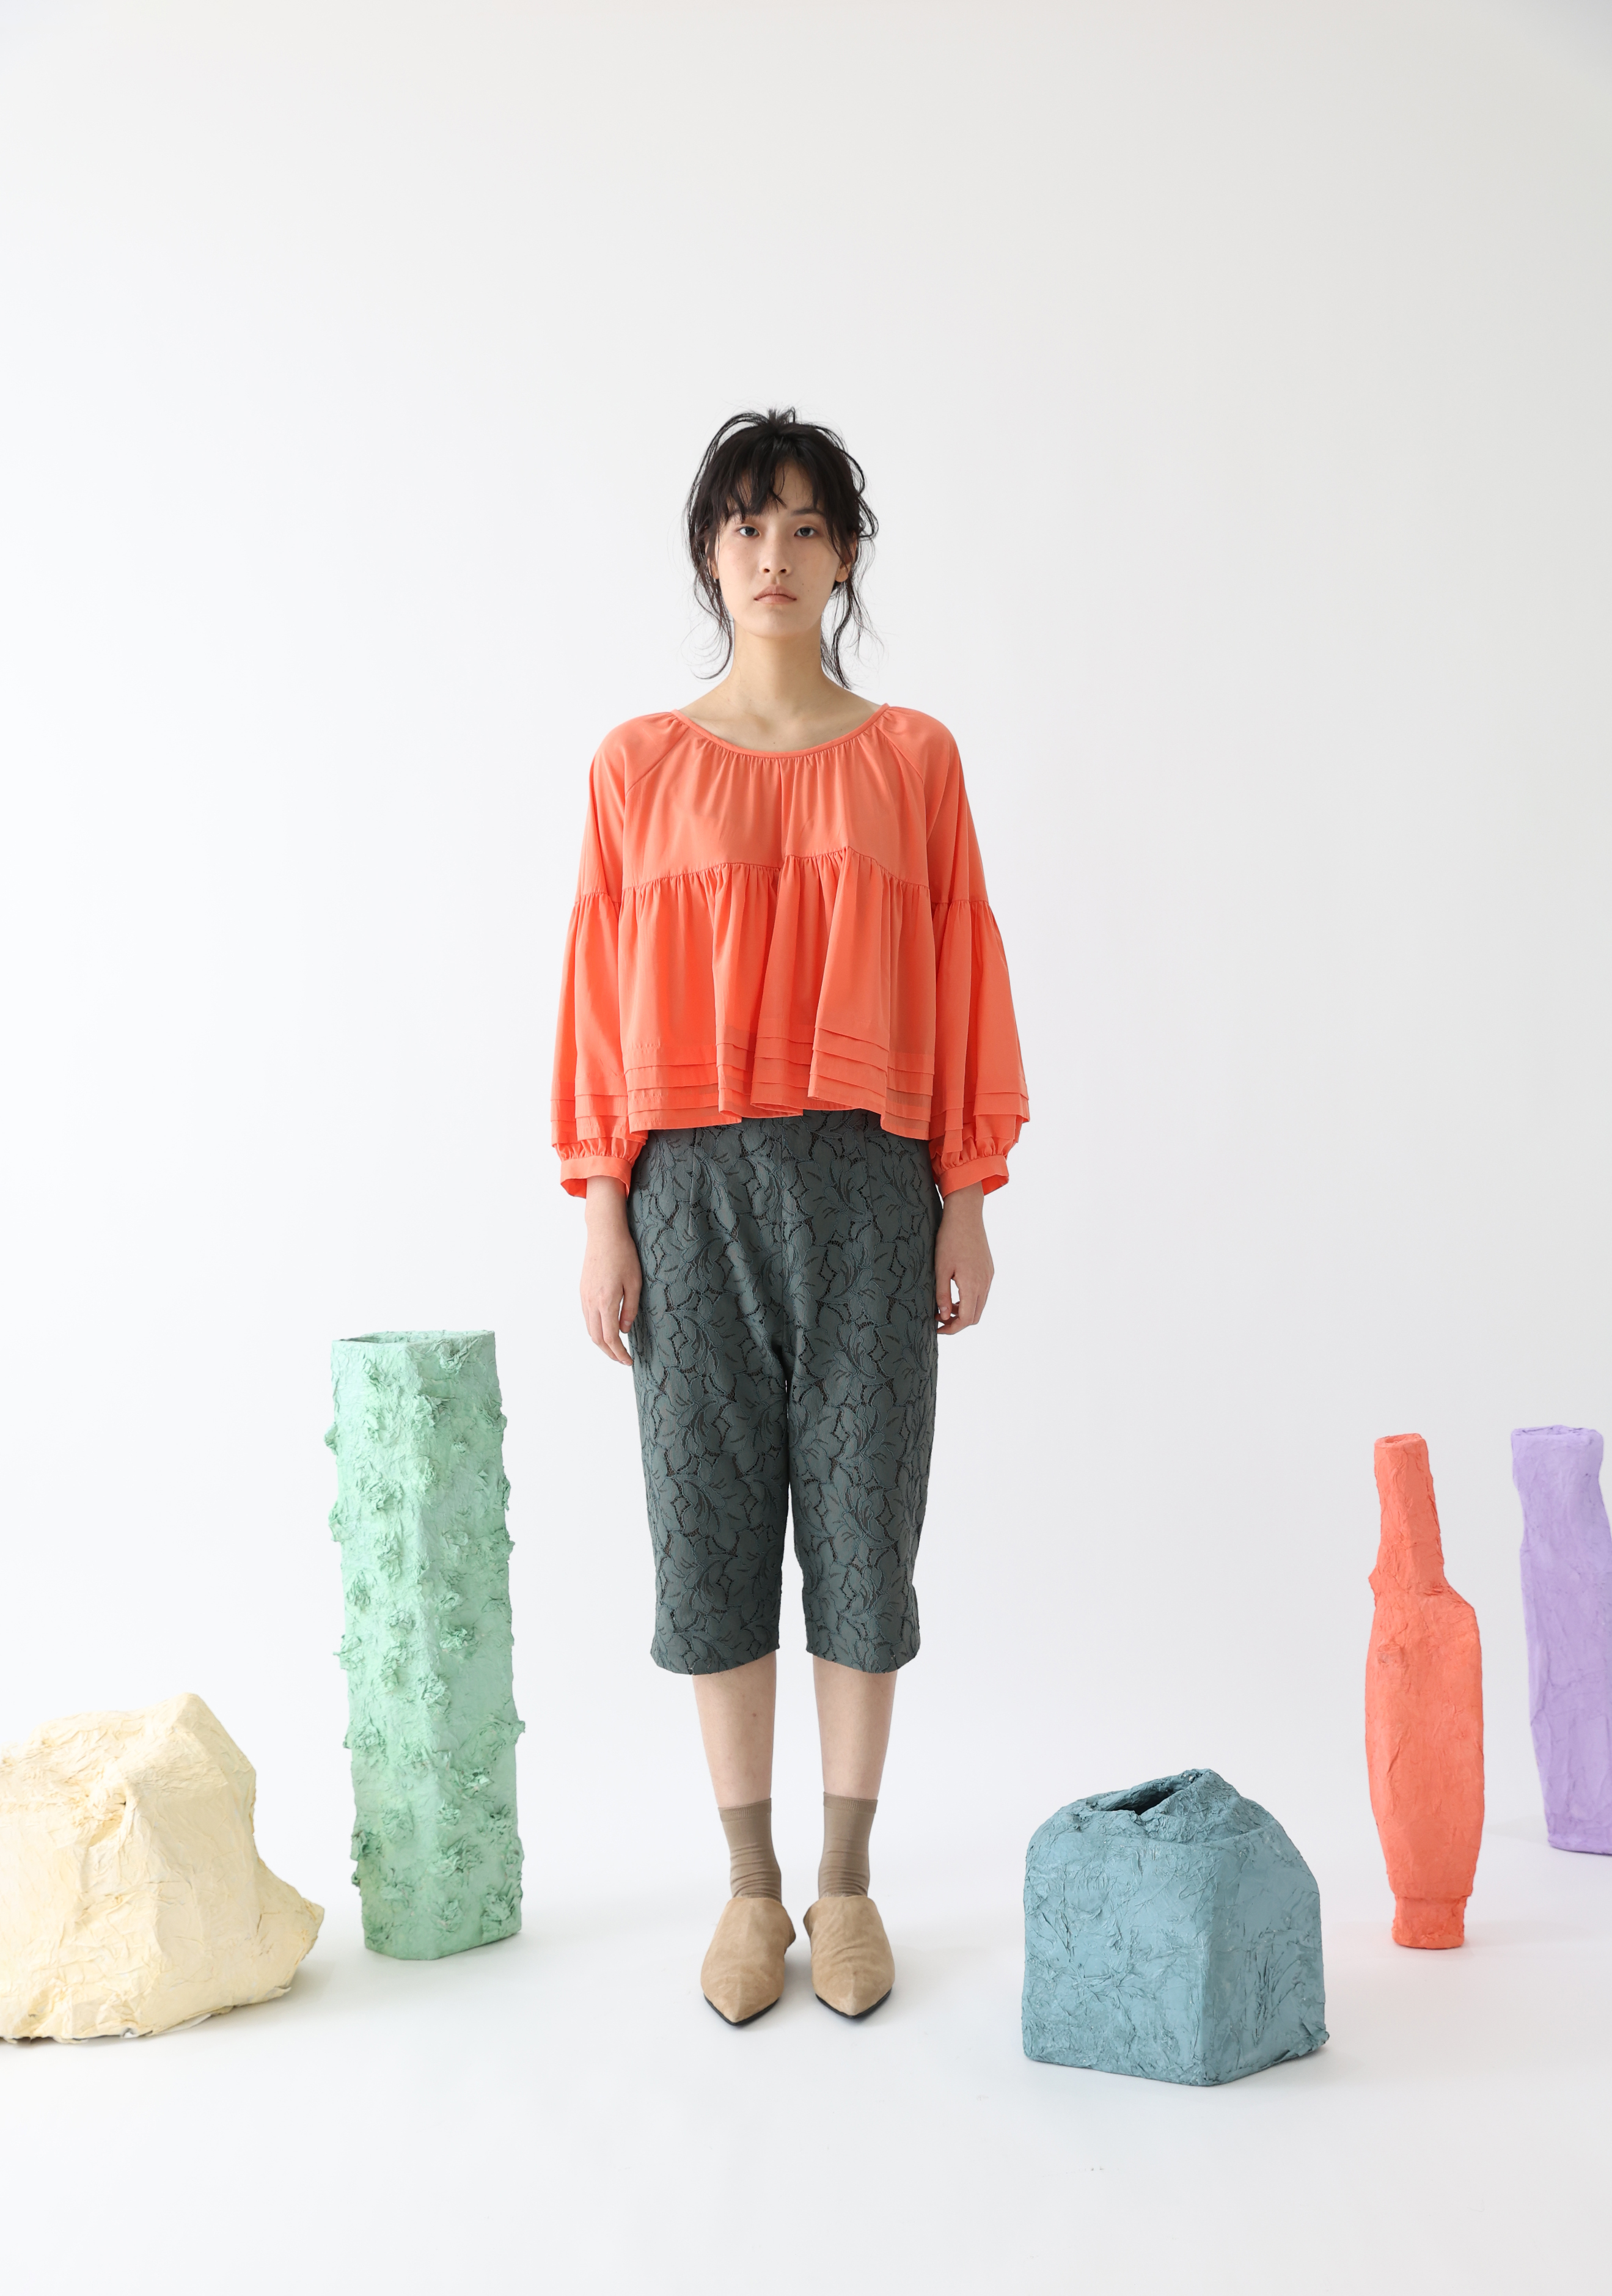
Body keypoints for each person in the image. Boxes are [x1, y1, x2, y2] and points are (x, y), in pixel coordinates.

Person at [552, 408, 1027, 2023]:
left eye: (805, 526)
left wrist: (966, 1196)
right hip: (687, 1194)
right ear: (710, 553)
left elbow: (964, 971)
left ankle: (847, 1883)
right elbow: (597, 998)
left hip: (873, 1190)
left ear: (845, 557)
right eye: (746, 525)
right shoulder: (637, 766)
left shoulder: (914, 761)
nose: (774, 554)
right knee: (708, 1532)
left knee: (864, 1529)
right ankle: (751, 1890)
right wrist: (602, 1210)